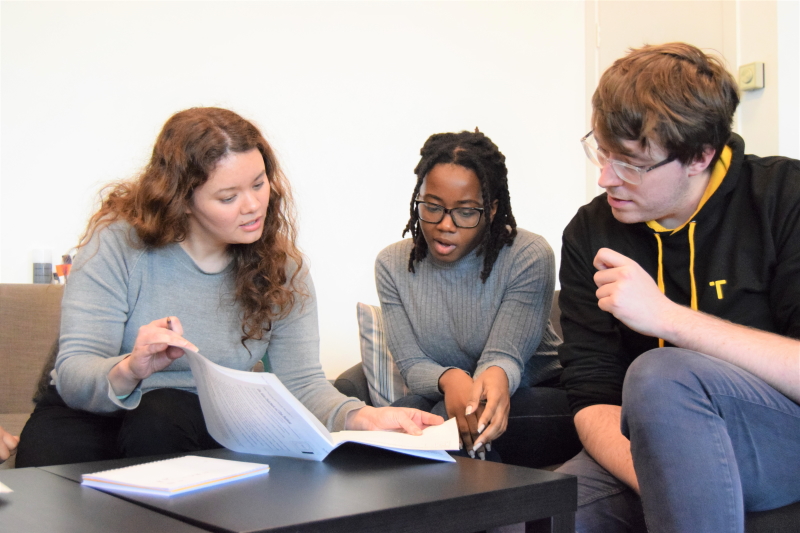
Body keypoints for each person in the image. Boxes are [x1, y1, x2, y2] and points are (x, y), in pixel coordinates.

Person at [16, 107, 442, 468]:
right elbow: (74, 373)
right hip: (92, 408)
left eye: (258, 184)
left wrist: (364, 418)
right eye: (228, 197)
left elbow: (302, 385)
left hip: (186, 417)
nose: (254, 205)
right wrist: (131, 368)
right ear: (181, 199)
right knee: (47, 465)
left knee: (162, 416)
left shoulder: (283, 267)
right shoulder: (117, 242)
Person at [555, 42, 800, 532]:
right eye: (602, 151)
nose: (605, 178)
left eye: (630, 163)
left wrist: (667, 317)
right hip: (642, 450)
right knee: (537, 515)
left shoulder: (783, 197)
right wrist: (674, 478)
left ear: (699, 156)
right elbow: (592, 397)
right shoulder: (588, 232)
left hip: (778, 436)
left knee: (661, 375)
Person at [377, 130, 579, 465]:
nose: (445, 225)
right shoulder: (391, 264)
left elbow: (503, 358)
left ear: (492, 209)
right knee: (402, 416)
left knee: (452, 422)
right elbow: (412, 365)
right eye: (432, 207)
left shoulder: (528, 254)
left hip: (539, 392)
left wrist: (465, 393)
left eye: (466, 212)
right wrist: (450, 379)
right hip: (449, 394)